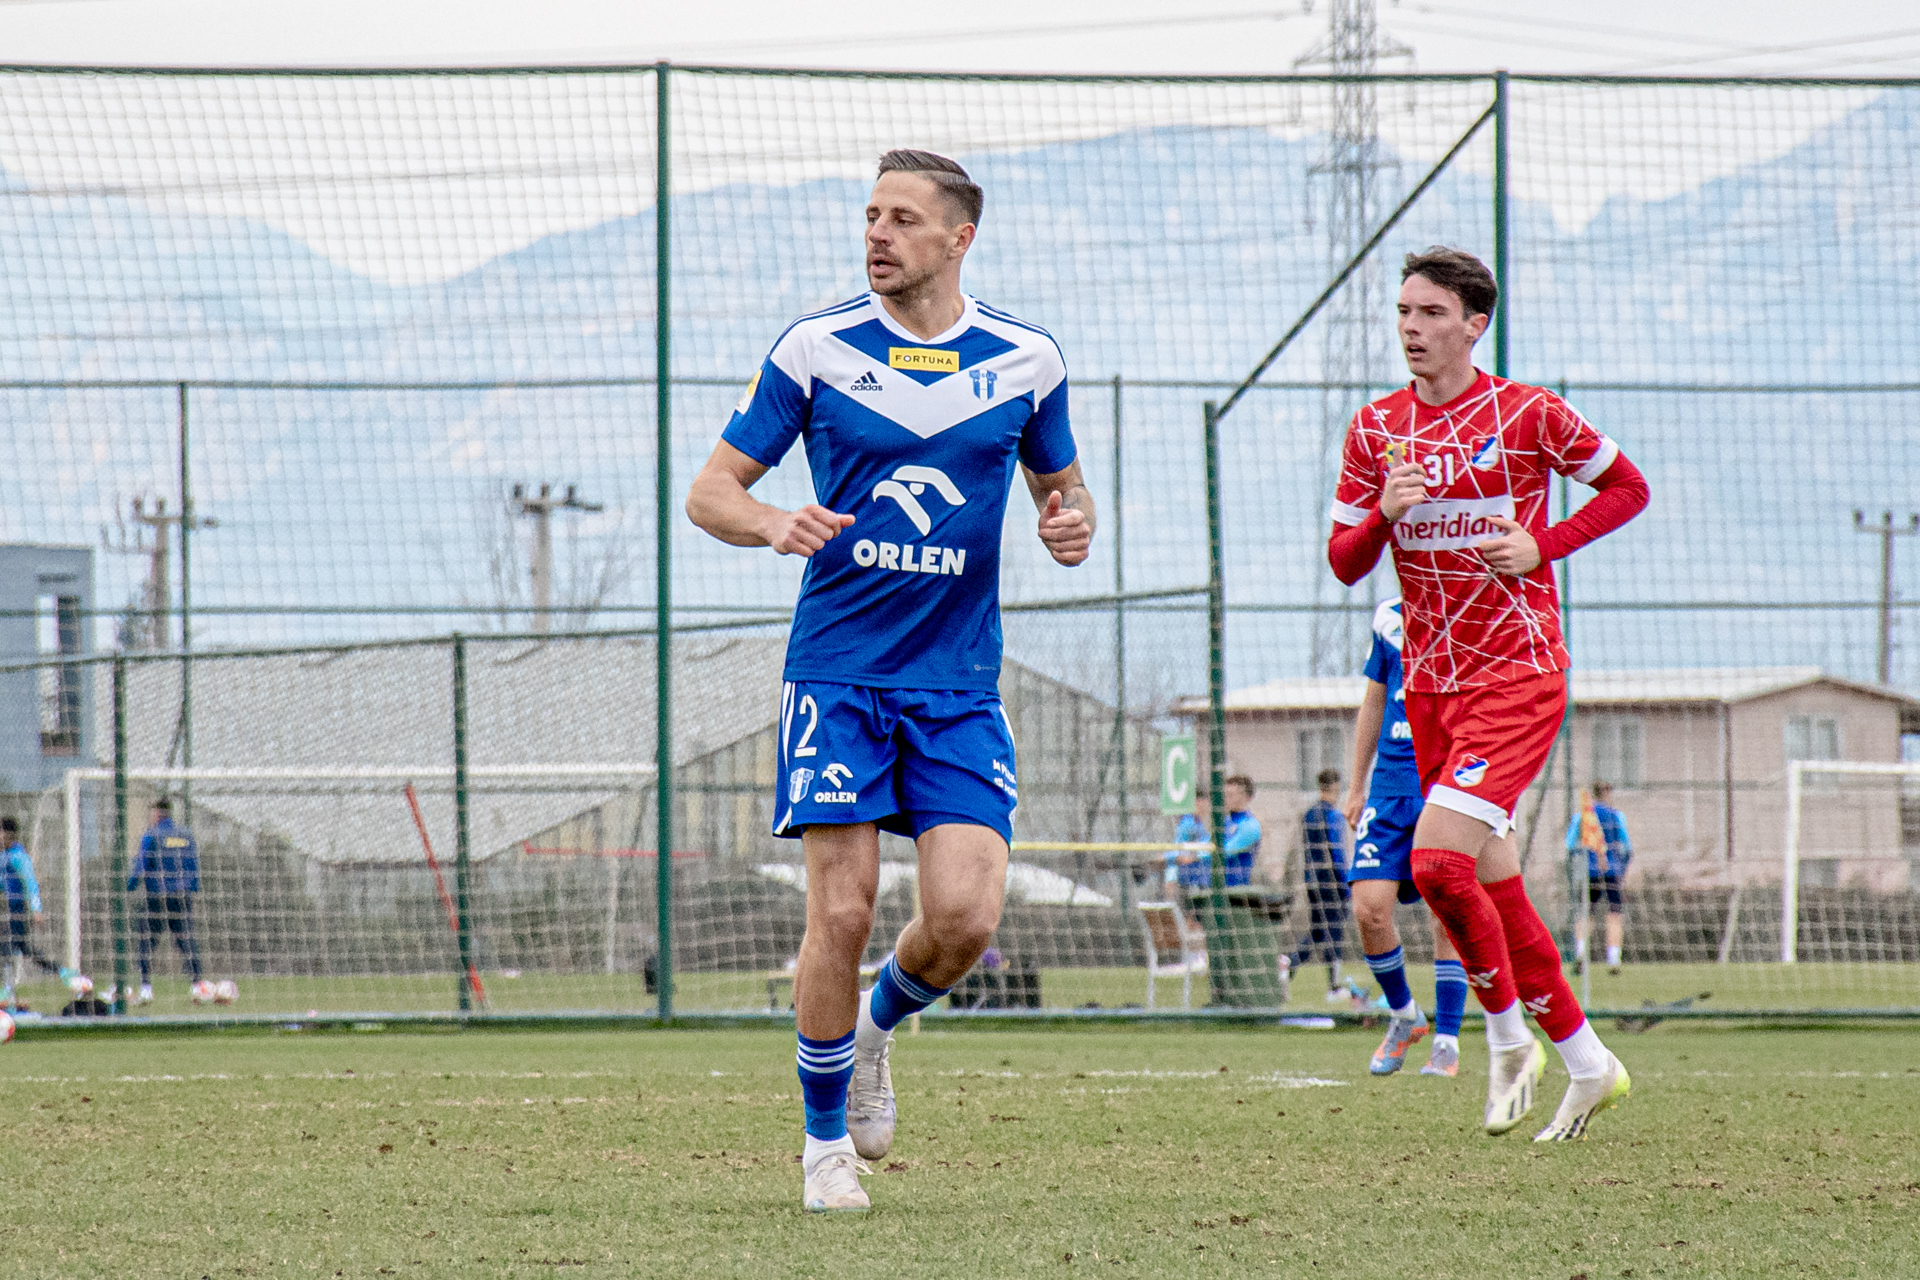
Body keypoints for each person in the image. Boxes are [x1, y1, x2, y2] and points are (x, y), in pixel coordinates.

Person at [685, 149, 1093, 1212]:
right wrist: (772, 520)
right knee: (844, 909)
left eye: (903, 218)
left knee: (965, 918)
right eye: (871, 214)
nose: (878, 233)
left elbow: (1063, 489)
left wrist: (1070, 524)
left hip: (958, 684)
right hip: (839, 673)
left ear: (960, 238)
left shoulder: (1027, 360)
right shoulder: (816, 348)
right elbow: (711, 491)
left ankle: (873, 1033)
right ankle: (824, 1148)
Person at [1327, 246, 1650, 1141]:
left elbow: (1628, 487)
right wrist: (1384, 515)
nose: (1411, 328)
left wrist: (1545, 543)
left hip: (1517, 674)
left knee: (1436, 865)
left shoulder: (1528, 412)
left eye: (1430, 313)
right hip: (1430, 688)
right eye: (1403, 312)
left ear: (1474, 325)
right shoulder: (1376, 429)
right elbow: (1344, 561)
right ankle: (1588, 1062)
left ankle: (1509, 1041)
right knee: (1490, 885)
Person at [1342, 597, 1468, 1077]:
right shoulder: (1389, 617)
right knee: (1369, 909)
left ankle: (1447, 1039)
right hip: (1390, 787)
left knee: (1447, 911)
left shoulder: (1474, 608)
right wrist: (1357, 786)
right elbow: (1374, 700)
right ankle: (1404, 1015)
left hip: (1448, 781)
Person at [1287, 768, 1353, 1004]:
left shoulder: (1308, 815)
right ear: (1335, 787)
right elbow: (1337, 852)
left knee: (1317, 932)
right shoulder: (1333, 815)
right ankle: (1334, 987)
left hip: (1312, 881)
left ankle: (1288, 964)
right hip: (1331, 882)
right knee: (1334, 932)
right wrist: (1346, 882)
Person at [128, 796, 202, 1003]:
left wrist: (129, 885)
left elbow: (141, 864)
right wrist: (193, 888)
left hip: (158, 896)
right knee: (186, 940)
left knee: (147, 941)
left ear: (158, 813)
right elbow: (193, 863)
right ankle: (197, 985)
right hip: (182, 896)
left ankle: (145, 988)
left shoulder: (152, 835)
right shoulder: (186, 835)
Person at [2, 816, 76, 1007]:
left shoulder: (19, 856)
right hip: (10, 909)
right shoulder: (4, 856)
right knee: (27, 950)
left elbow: (31, 883)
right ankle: (62, 972)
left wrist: (36, 909)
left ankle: (6, 991)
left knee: (6, 946)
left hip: (20, 910)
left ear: (9, 834)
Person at [1565, 781, 1633, 975]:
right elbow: (1627, 847)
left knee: (1586, 913)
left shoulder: (1582, 817)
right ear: (1607, 794)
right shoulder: (1617, 816)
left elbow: (1569, 844)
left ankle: (1580, 953)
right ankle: (1613, 959)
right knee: (1614, 914)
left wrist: (1581, 857)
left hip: (1590, 871)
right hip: (1612, 872)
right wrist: (1622, 869)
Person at [1169, 773, 1262, 890]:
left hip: (1233, 888)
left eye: (1230, 795)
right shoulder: (1225, 822)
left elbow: (1225, 850)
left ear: (1246, 798)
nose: (1225, 799)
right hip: (1206, 885)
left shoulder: (1250, 825)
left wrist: (1193, 855)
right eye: (1224, 795)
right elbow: (1207, 843)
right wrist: (1179, 853)